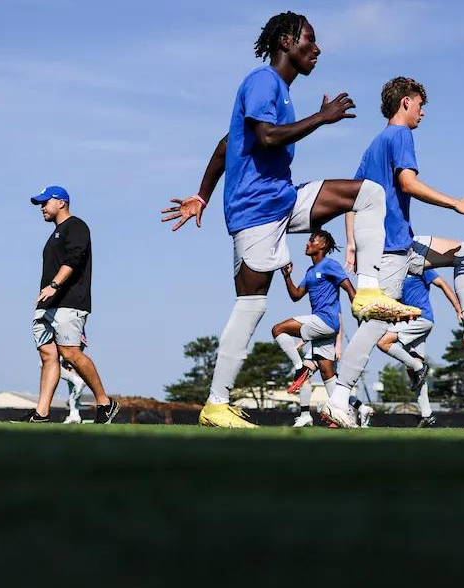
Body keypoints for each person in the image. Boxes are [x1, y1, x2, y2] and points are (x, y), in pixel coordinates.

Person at [160, 12, 420, 429]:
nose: (316, 49)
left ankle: (368, 293)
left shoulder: (280, 91)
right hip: (255, 212)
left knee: (368, 194)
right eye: (309, 41)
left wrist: (201, 194)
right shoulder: (263, 81)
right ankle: (215, 403)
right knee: (252, 305)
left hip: (283, 199)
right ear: (285, 41)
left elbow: (229, 143)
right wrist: (322, 119)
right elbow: (260, 137)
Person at [323, 76, 464, 429]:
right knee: (376, 324)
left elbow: (350, 199)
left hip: (403, 244)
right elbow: (408, 183)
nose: (423, 114)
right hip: (391, 248)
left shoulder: (374, 144)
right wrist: (456, 203)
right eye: (421, 106)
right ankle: (337, 397)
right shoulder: (400, 135)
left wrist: (351, 242)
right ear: (406, 102)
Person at [24, 186, 120, 424]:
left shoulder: (76, 226)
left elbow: (74, 260)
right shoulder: (55, 233)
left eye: (45, 203)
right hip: (47, 305)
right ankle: (42, 413)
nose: (42, 208)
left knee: (70, 353)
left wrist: (54, 286)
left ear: (61, 203)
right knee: (48, 356)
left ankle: (105, 404)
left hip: (68, 302)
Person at [272, 230, 355, 427]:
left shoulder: (330, 265)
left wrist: (361, 313)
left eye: (312, 240)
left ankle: (300, 367)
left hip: (325, 321)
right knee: (327, 372)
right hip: (323, 327)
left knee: (278, 329)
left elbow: (350, 289)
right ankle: (340, 414)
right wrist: (286, 276)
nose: (307, 243)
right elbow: (295, 296)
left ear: (322, 245)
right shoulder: (310, 272)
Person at [377, 270, 461, 427]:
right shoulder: (396, 271)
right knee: (413, 371)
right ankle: (427, 415)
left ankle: (419, 367)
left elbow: (442, 283)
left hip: (422, 319)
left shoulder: (422, 268)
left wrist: (457, 307)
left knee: (383, 342)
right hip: (408, 321)